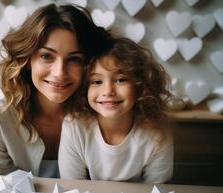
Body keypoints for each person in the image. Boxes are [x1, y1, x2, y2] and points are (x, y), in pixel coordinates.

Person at [0, 3, 108, 177]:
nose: (59, 73)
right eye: (46, 56)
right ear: (28, 59)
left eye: (75, 59)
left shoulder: (103, 110)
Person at [58, 36, 174, 183]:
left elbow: (157, 190)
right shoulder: (74, 126)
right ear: (84, 88)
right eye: (96, 81)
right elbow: (72, 188)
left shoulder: (158, 131)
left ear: (140, 85)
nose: (108, 91)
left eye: (120, 80)